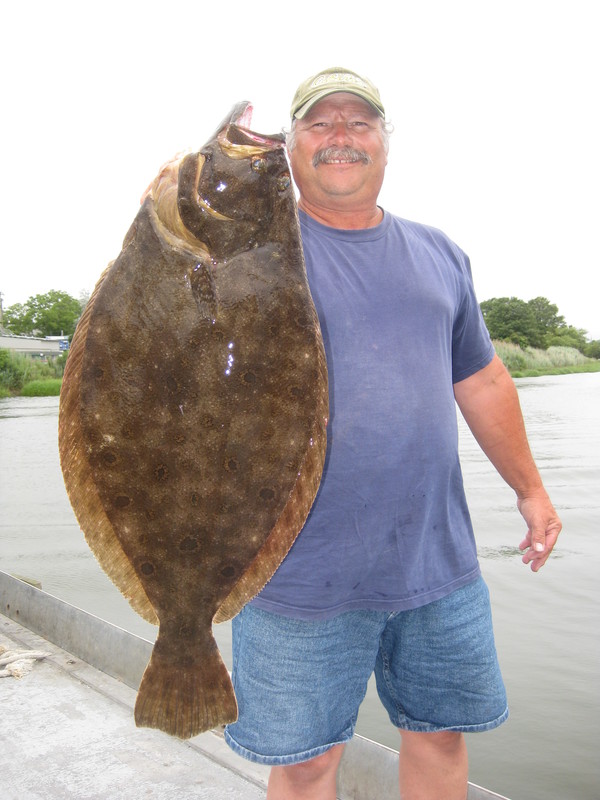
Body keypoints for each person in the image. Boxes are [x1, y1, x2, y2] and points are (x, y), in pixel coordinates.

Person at [223, 67, 562, 800]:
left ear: (384, 143)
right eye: (320, 123)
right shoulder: (244, 256)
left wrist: (531, 490)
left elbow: (481, 379)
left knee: (439, 738)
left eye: (359, 122)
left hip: (435, 561)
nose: (340, 136)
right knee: (308, 760)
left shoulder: (440, 254)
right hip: (293, 572)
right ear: (290, 147)